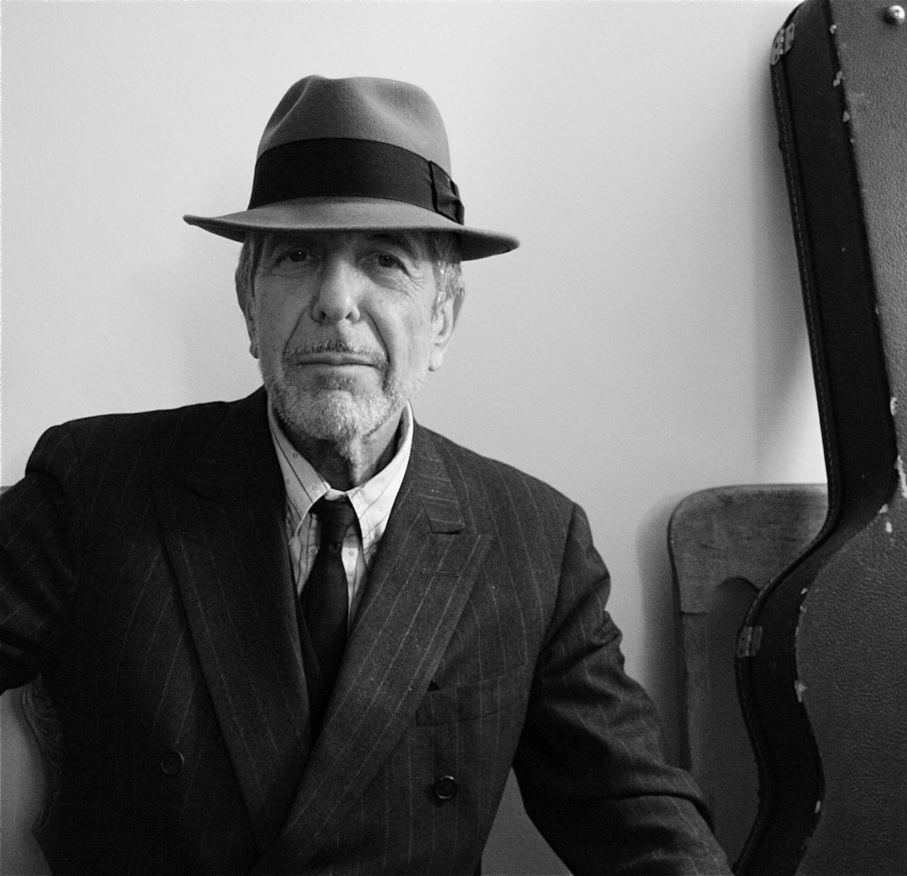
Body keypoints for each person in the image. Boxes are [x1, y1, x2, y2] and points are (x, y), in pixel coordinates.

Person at [0, 75, 730, 874]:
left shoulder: (535, 541)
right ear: (248, 303)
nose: (335, 301)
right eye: (298, 256)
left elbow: (627, 807)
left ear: (442, 318)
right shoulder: (94, 485)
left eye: (384, 260)